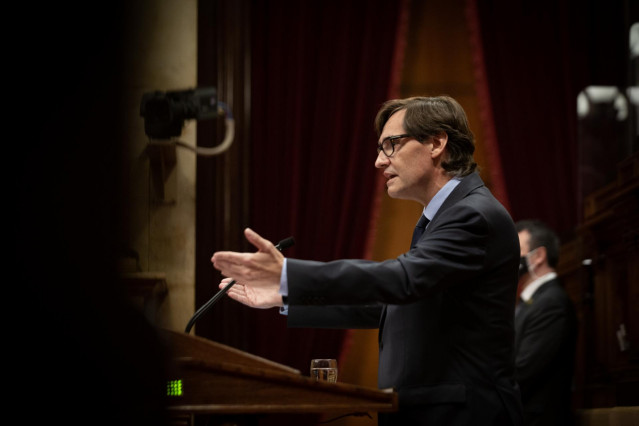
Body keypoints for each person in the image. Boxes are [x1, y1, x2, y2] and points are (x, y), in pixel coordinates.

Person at [212, 96, 524, 425]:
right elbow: (393, 303)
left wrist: (290, 275)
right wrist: (286, 296)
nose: (378, 161)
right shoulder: (447, 216)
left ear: (436, 143)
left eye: (391, 144)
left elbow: (402, 280)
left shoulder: (472, 215)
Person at [514, 220, 578, 426]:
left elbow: (522, 372)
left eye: (516, 250)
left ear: (538, 256)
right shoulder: (532, 302)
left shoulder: (551, 303)